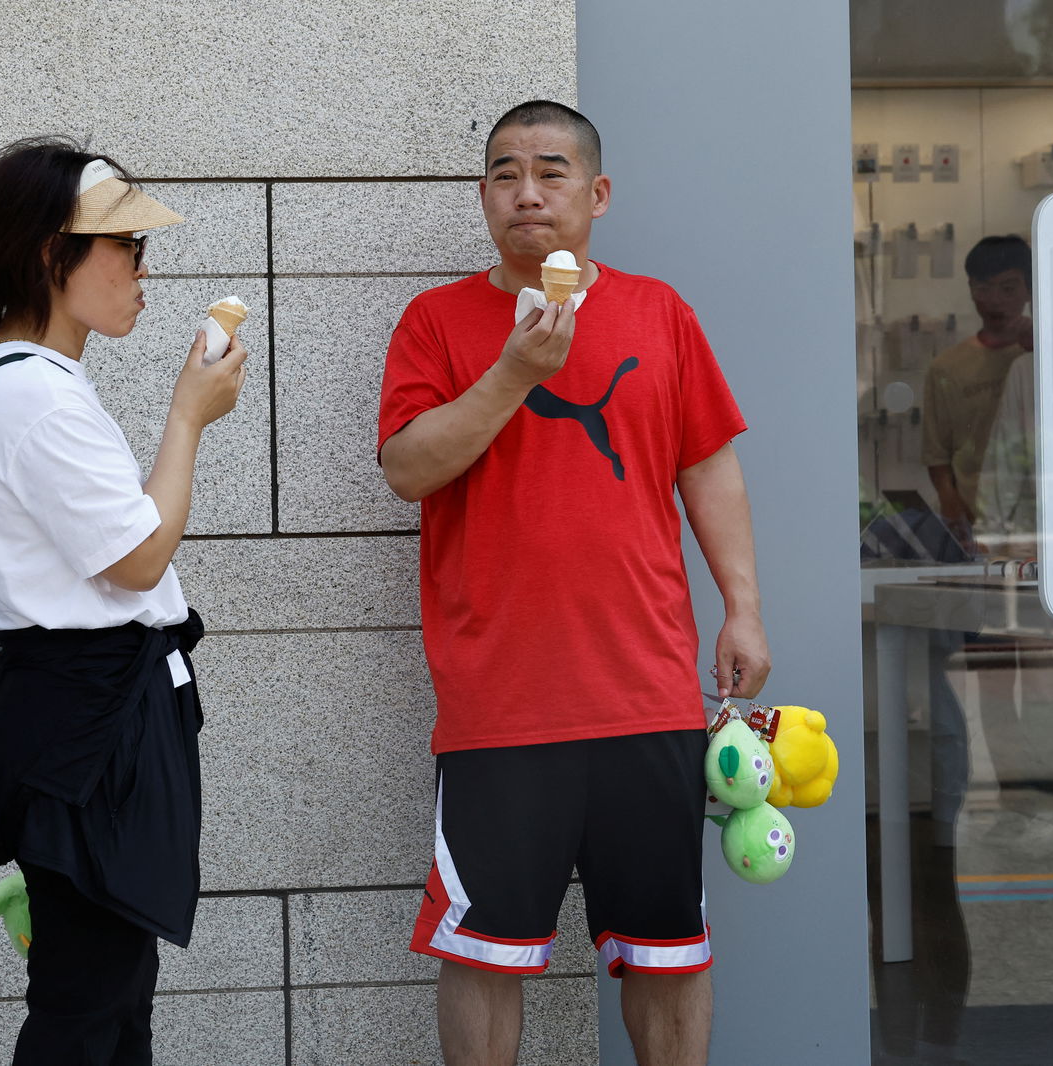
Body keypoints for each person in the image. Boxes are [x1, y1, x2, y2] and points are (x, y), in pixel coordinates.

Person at [377, 100, 770, 1066]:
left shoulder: (658, 312)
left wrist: (744, 606)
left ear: (595, 194)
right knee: (484, 951)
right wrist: (515, 370)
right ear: (483, 199)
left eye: (551, 173)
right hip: (502, 700)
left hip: (646, 690)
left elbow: (707, 464)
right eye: (506, 175)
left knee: (669, 952)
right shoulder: (437, 321)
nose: (528, 193)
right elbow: (409, 468)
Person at [0, 137, 248, 1065]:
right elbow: (141, 559)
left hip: (75, 712)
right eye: (124, 246)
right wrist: (189, 416)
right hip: (88, 724)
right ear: (50, 253)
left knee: (108, 998)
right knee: (91, 1005)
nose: (142, 267)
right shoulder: (34, 394)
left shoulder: (13, 382)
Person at [921, 234, 1032, 551]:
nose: (995, 300)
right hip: (975, 519)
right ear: (970, 289)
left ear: (1029, 288)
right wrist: (953, 509)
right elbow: (937, 455)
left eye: (1008, 288)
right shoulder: (947, 367)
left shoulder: (1044, 359)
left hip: (1036, 518)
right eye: (983, 288)